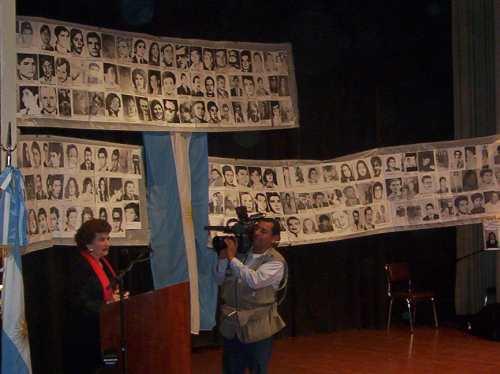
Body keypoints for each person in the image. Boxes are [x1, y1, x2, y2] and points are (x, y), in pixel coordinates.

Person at [215, 218, 286, 373]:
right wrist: (222, 259)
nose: (257, 233)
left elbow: (254, 280)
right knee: (231, 369)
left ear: (275, 238)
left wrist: (232, 259)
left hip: (258, 326)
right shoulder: (240, 255)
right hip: (232, 325)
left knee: (257, 369)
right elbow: (219, 280)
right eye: (256, 229)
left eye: (263, 231)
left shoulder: (276, 262)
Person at [63, 219, 126, 374]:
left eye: (108, 238)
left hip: (106, 329)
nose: (107, 243)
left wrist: (118, 297)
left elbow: (106, 291)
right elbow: (80, 302)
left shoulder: (103, 262)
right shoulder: (80, 266)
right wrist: (109, 304)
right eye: (101, 239)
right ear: (89, 244)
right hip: (88, 334)